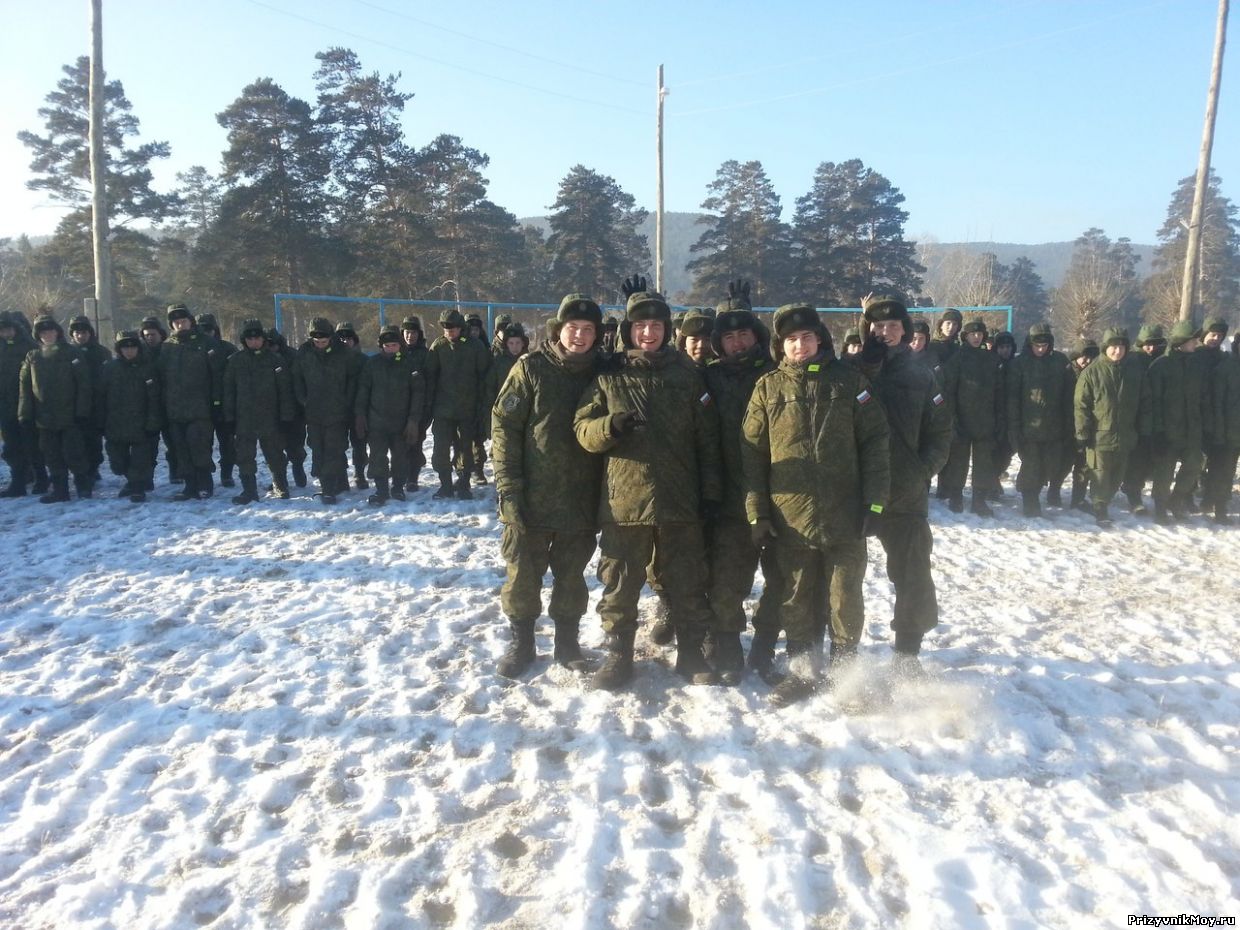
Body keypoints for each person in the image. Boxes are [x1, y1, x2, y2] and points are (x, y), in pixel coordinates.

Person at [574, 283, 723, 690]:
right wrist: (609, 427)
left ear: (667, 330)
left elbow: (707, 440)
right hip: (626, 501)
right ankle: (618, 656)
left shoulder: (688, 377)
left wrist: (710, 492)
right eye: (641, 326)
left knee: (688, 579)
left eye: (656, 325)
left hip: (680, 500)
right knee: (620, 582)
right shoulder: (609, 376)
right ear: (629, 331)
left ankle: (691, 654)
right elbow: (582, 430)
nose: (648, 333)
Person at [741, 303, 890, 705]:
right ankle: (802, 671)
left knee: (845, 598)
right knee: (796, 596)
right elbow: (752, 455)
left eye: (807, 337)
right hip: (791, 518)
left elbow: (876, 443)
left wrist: (875, 504)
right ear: (780, 345)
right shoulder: (768, 388)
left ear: (820, 339)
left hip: (847, 515)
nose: (799, 345)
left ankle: (846, 676)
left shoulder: (849, 382)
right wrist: (757, 512)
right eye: (791, 339)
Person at [491, 295, 606, 677]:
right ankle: (522, 642)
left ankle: (567, 642)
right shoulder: (531, 370)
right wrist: (509, 488)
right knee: (523, 572)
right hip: (531, 496)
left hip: (581, 495)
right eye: (573, 328)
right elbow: (504, 428)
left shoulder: (604, 372)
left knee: (572, 575)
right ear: (559, 331)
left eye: (588, 330)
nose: (580, 336)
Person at [860, 296, 952, 677]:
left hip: (904, 492)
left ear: (906, 331)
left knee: (913, 573)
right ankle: (835, 648)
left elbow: (941, 430)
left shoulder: (922, 375)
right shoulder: (853, 371)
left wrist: (922, 470)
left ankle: (907, 653)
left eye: (893, 326)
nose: (885, 332)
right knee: (839, 576)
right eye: (878, 327)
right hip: (856, 492)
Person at [696, 282, 781, 684]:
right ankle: (726, 641)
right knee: (728, 577)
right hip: (730, 495)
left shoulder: (781, 374)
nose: (737, 343)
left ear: (758, 336)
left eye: (744, 333)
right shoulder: (707, 379)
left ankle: (765, 644)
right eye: (728, 336)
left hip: (782, 494)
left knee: (782, 577)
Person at [1074, 328, 1150, 527]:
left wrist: (1144, 428)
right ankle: (1100, 509)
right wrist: (1082, 433)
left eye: (1121, 347)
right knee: (1100, 474)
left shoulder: (1133, 373)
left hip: (1125, 435)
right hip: (1099, 436)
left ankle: (1103, 500)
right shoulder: (1092, 372)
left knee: (1116, 475)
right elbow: (1081, 405)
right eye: (1113, 347)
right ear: (1105, 348)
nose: (1117, 351)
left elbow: (1144, 402)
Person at [18, 315, 92, 503]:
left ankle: (83, 485)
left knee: (74, 453)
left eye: (51, 330)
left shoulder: (72, 353)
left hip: (69, 414)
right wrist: (24, 414)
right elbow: (25, 388)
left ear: (57, 332)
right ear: (38, 335)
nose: (48, 335)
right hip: (44, 416)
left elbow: (83, 384)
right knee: (52, 455)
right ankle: (60, 490)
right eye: (43, 332)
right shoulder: (32, 356)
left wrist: (82, 411)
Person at [1006, 323, 1075, 517]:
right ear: (1030, 344)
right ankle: (1030, 499)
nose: (1041, 349)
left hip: (1054, 426)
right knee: (1031, 465)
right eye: (1037, 345)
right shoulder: (1020, 364)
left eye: (1044, 345)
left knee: (1049, 464)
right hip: (1028, 426)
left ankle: (1038, 492)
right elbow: (1012, 398)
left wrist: (1068, 423)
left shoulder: (1060, 362)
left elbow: (1068, 395)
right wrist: (1014, 427)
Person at [158, 303, 225, 501]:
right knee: (181, 448)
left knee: (199, 446)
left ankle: (205, 483)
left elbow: (217, 375)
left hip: (200, 408)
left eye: (183, 320)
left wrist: (216, 402)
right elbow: (162, 377)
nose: (180, 324)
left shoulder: (206, 343)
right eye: (176, 321)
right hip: (175, 409)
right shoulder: (167, 346)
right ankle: (190, 485)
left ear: (190, 321)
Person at [224, 318, 294, 504]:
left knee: (275, 453)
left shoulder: (275, 361)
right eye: (249, 338)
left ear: (263, 339)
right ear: (244, 340)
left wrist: (286, 415)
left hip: (270, 417)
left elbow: (285, 390)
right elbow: (229, 391)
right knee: (245, 455)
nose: (254, 341)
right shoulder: (236, 361)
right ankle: (249, 490)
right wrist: (229, 416)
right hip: (244, 417)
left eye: (257, 338)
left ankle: (280, 484)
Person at [354, 325, 425, 506]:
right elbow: (363, 391)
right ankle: (381, 490)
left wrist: (413, 420)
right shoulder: (372, 364)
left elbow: (418, 393)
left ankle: (398, 488)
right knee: (377, 457)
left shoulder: (409, 364)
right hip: (376, 421)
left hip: (401, 423)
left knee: (400, 457)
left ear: (399, 345)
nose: (391, 349)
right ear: (381, 346)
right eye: (387, 346)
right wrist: (360, 415)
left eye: (394, 345)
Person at [939, 318, 1003, 516]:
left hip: (985, 421)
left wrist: (998, 418)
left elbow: (999, 391)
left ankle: (979, 500)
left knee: (984, 462)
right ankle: (956, 496)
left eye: (979, 334)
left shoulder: (991, 359)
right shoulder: (957, 359)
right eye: (972, 334)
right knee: (958, 461)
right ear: (965, 336)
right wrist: (953, 418)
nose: (976, 337)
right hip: (962, 419)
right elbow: (948, 391)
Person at [426, 309, 490, 499]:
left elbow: (484, 376)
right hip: (443, 409)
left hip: (467, 408)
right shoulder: (438, 346)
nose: (449, 331)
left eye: (452, 327)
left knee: (465, 448)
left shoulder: (475, 347)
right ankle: (445, 484)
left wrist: (481, 405)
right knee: (441, 448)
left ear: (461, 327)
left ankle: (464, 482)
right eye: (445, 327)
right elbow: (430, 375)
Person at [1147, 320, 1207, 523]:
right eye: (1193, 341)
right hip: (1168, 429)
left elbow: (1202, 398)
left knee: (1194, 464)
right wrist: (1157, 431)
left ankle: (1177, 499)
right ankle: (1160, 507)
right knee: (1164, 470)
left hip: (1192, 429)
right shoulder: (1161, 366)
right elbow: (1153, 402)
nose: (1196, 344)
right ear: (1182, 342)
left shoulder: (1197, 365)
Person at [294, 317, 356, 505]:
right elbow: (297, 379)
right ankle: (335, 482)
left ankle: (329, 489)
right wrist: (303, 400)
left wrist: (346, 402)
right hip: (313, 411)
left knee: (333, 449)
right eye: (316, 341)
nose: (320, 344)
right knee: (317, 448)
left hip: (337, 412)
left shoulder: (343, 353)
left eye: (324, 341)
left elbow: (352, 380)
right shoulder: (304, 352)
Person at [98, 330, 161, 502]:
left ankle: (137, 487)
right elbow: (100, 397)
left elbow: (155, 398)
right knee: (118, 463)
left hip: (141, 423)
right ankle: (132, 481)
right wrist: (100, 422)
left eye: (132, 346)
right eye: (125, 347)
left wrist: (153, 422)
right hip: (115, 423)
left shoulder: (148, 368)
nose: (129, 350)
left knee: (140, 460)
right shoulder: (109, 369)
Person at [1120, 324, 1166, 514]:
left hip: (1159, 417)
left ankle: (1159, 498)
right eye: (1147, 344)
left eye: (1155, 344)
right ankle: (1134, 495)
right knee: (1136, 460)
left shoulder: (1165, 361)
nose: (1151, 348)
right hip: (1135, 417)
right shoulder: (1131, 361)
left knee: (1155, 460)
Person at [195, 313, 238, 488]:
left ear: (215, 330)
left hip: (225, 404)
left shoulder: (227, 349)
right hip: (201, 406)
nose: (206, 333)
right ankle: (205, 474)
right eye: (201, 329)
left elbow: (237, 377)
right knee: (202, 444)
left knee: (228, 444)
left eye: (209, 329)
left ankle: (226, 474)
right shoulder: (191, 350)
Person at [66, 315, 110, 482]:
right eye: (77, 332)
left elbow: (106, 378)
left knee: (94, 442)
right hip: (72, 404)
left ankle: (93, 469)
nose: (80, 336)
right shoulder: (67, 353)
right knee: (76, 443)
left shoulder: (101, 352)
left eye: (83, 332)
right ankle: (82, 473)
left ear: (90, 333)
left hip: (95, 404)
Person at [0, 312, 39, 497]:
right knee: (12, 445)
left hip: (26, 403)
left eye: (8, 329)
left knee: (32, 444)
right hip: (5, 405)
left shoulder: (28, 347)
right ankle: (18, 482)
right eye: (2, 330)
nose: (6, 333)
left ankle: (41, 478)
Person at [1197, 316, 1232, 520]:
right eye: (1212, 334)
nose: (1215, 338)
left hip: (1217, 415)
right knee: (1196, 458)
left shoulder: (1222, 358)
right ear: (1204, 335)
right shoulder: (1196, 355)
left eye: (1219, 336)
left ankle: (1209, 495)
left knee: (1215, 460)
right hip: (1197, 412)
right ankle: (1189, 496)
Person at [266, 327, 308, 489]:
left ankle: (298, 467)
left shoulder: (292, 356)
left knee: (295, 444)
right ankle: (279, 477)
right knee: (274, 447)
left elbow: (300, 381)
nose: (271, 348)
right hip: (271, 410)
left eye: (273, 344)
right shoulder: (263, 358)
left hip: (293, 409)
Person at [1207, 331, 1240, 524]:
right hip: (1228, 431)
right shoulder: (1225, 369)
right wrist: (1218, 432)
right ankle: (1220, 507)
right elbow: (1216, 403)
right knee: (1224, 471)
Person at [399, 316, 431, 491]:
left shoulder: (425, 355)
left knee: (415, 443)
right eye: (407, 332)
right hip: (398, 408)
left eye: (413, 333)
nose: (410, 336)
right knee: (400, 445)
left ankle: (413, 478)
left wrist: (426, 408)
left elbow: (431, 381)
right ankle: (401, 474)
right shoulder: (397, 352)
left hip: (419, 409)